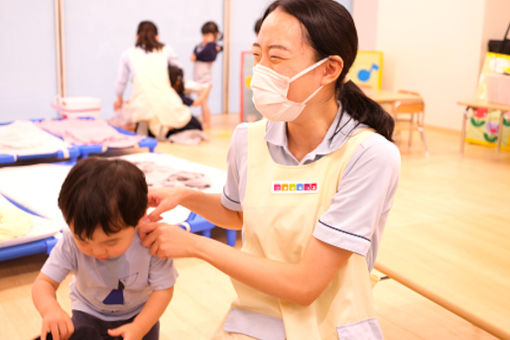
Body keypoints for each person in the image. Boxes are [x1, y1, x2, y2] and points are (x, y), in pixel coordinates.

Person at [139, 0, 400, 339]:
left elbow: (306, 284)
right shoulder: (249, 139)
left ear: (329, 69)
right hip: (256, 322)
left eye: (276, 58)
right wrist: (185, 196)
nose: (260, 70)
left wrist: (196, 246)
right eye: (258, 55)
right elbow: (237, 214)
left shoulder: (369, 155)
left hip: (331, 326)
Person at [32, 158, 177, 340]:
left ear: (140, 218)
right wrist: (50, 310)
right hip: (88, 312)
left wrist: (139, 327)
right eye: (83, 240)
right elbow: (44, 283)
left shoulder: (151, 239)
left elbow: (164, 289)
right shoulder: (69, 239)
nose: (98, 252)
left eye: (111, 242)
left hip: (140, 315)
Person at [113, 21, 191, 138]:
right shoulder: (166, 50)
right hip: (165, 103)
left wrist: (119, 100)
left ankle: (145, 131)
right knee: (184, 116)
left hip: (140, 106)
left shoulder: (127, 54)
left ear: (136, 36)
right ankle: (160, 129)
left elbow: (121, 82)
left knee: (137, 112)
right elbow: (179, 70)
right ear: (157, 36)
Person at [190, 21, 223, 129]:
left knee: (203, 102)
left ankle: (206, 123)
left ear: (215, 36)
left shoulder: (211, 46)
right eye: (204, 35)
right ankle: (205, 121)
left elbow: (208, 56)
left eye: (208, 35)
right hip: (198, 78)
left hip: (205, 79)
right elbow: (194, 54)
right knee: (202, 102)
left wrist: (197, 56)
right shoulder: (201, 46)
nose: (205, 38)